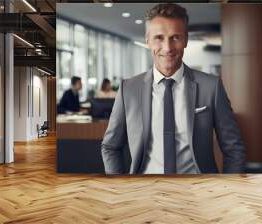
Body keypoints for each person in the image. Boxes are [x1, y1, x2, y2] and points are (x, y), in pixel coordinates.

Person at [101, 3, 246, 174]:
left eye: (175, 37)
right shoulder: (128, 90)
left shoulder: (211, 87)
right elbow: (110, 147)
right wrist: (121, 188)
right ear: (147, 40)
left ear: (185, 39)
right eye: (159, 38)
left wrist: (227, 190)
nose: (168, 48)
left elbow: (234, 148)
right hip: (145, 192)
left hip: (198, 192)